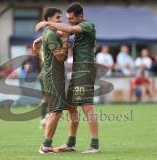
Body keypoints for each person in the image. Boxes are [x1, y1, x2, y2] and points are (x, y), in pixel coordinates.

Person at [36, 2, 100, 153]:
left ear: (80, 16)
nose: (68, 21)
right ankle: (70, 143)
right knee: (71, 106)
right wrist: (42, 38)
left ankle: (95, 145)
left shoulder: (87, 25)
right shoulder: (76, 27)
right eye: (67, 19)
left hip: (86, 69)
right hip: (78, 71)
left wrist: (47, 22)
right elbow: (61, 32)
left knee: (87, 106)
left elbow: (69, 29)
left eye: (71, 19)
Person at [37, 7, 69, 154]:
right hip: (52, 77)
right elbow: (61, 57)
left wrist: (63, 40)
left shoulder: (51, 33)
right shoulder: (50, 34)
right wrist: (65, 40)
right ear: (48, 20)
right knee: (56, 111)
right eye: (57, 18)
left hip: (55, 76)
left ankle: (47, 144)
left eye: (60, 18)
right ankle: (45, 146)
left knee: (56, 111)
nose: (60, 20)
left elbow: (63, 57)